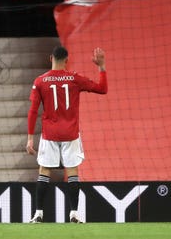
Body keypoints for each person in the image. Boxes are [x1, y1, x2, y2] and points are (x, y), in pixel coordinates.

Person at [26, 46, 108, 223]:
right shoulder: (75, 79)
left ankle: (38, 214)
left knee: (44, 171)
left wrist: (30, 137)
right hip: (70, 133)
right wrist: (101, 67)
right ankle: (74, 214)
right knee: (72, 172)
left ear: (50, 58)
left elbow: (33, 111)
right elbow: (102, 89)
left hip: (50, 134)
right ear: (67, 60)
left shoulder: (40, 81)